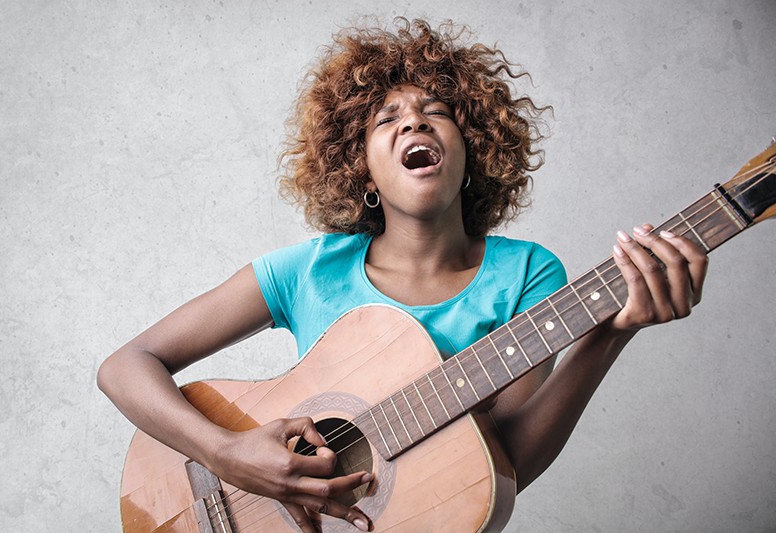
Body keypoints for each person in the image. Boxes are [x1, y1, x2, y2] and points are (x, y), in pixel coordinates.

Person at [97, 18, 708, 533]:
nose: (413, 123)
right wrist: (227, 455)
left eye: (435, 112)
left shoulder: (528, 273)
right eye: (386, 119)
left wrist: (610, 333)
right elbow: (125, 365)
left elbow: (506, 460)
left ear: (473, 154)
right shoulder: (308, 269)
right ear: (362, 172)